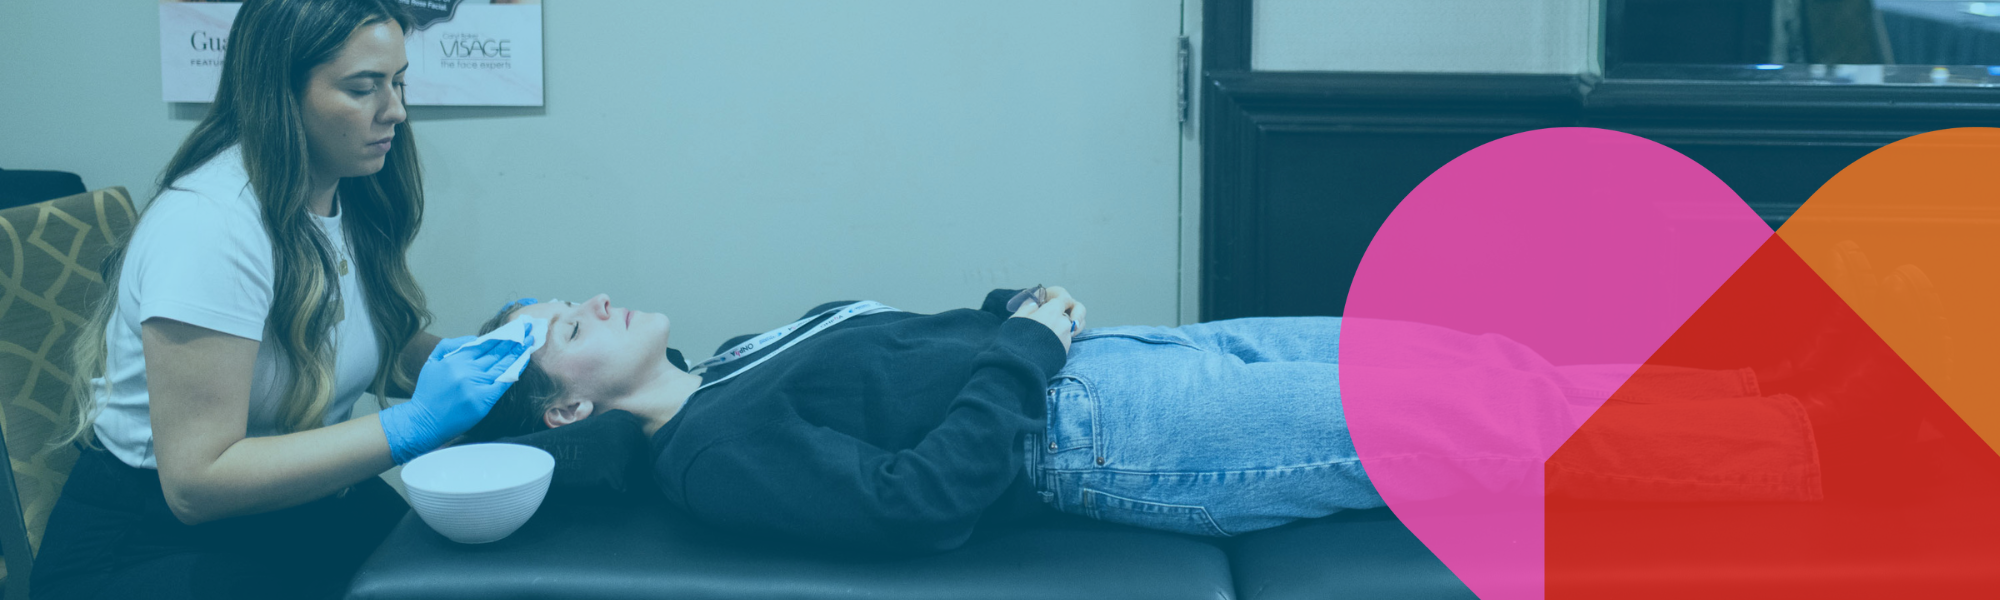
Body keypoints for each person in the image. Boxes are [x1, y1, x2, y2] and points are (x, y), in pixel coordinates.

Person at [460, 284, 1890, 555]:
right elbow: (919, 500)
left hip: (1124, 364)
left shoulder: (739, 362)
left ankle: (1774, 407)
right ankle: (1837, 452)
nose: (583, 302)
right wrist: (1027, 339)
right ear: (569, 406)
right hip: (1108, 437)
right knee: (1489, 420)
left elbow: (912, 367)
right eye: (556, 331)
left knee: (1474, 360)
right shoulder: (704, 451)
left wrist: (1011, 311)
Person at [33, 1, 526, 598]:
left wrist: (499, 362)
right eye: (363, 88)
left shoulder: (343, 191)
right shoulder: (210, 228)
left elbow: (363, 344)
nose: (395, 110)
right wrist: (415, 425)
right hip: (154, 545)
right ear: (278, 94)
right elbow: (197, 483)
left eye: (397, 82)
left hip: (294, 508)